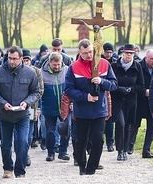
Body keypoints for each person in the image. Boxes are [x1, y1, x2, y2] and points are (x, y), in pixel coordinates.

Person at [65, 38, 117, 175]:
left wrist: (102, 81)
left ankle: (92, 168)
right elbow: (69, 90)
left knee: (98, 140)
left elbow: (114, 84)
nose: (89, 55)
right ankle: (82, 165)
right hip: (82, 111)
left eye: (90, 52)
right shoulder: (73, 67)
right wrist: (85, 97)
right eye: (85, 53)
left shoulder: (104, 64)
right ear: (79, 52)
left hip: (99, 111)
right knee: (80, 141)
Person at [0, 46, 40, 178]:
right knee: (5, 145)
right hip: (5, 115)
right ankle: (8, 168)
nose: (12, 62)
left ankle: (20, 171)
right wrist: (2, 103)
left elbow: (36, 91)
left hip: (22, 115)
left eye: (15, 59)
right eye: (10, 58)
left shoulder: (30, 72)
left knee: (22, 143)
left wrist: (27, 102)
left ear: (21, 59)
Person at [110, 43, 144, 161]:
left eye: (131, 54)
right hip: (118, 100)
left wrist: (131, 89)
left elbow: (141, 85)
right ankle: (119, 150)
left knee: (128, 125)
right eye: (127, 53)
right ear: (122, 53)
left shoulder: (137, 67)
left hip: (131, 100)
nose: (129, 56)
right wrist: (120, 89)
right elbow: (110, 83)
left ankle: (125, 149)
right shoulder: (114, 65)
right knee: (120, 124)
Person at [128, 49, 153, 159]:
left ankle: (146, 150)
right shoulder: (138, 66)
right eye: (152, 59)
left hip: (152, 102)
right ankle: (129, 146)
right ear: (146, 58)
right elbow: (133, 83)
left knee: (152, 126)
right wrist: (143, 91)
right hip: (139, 100)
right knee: (134, 124)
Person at [40, 52, 70, 162]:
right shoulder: (42, 73)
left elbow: (71, 88)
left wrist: (71, 103)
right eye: (54, 65)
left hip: (65, 107)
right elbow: (38, 92)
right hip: (49, 107)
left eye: (58, 64)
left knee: (66, 130)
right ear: (49, 63)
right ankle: (50, 152)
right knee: (50, 132)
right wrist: (39, 107)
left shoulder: (67, 70)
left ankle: (63, 152)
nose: (57, 67)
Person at [20, 48, 44, 166]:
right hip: (16, 107)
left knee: (28, 134)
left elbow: (40, 90)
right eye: (23, 60)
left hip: (31, 107)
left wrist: (35, 105)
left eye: (27, 60)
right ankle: (21, 154)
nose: (26, 62)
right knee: (19, 135)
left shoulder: (36, 71)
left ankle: (25, 154)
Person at [102, 42, 117, 152]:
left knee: (110, 120)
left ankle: (110, 142)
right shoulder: (100, 62)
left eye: (111, 52)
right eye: (107, 52)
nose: (109, 55)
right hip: (102, 92)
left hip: (112, 93)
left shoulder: (114, 63)